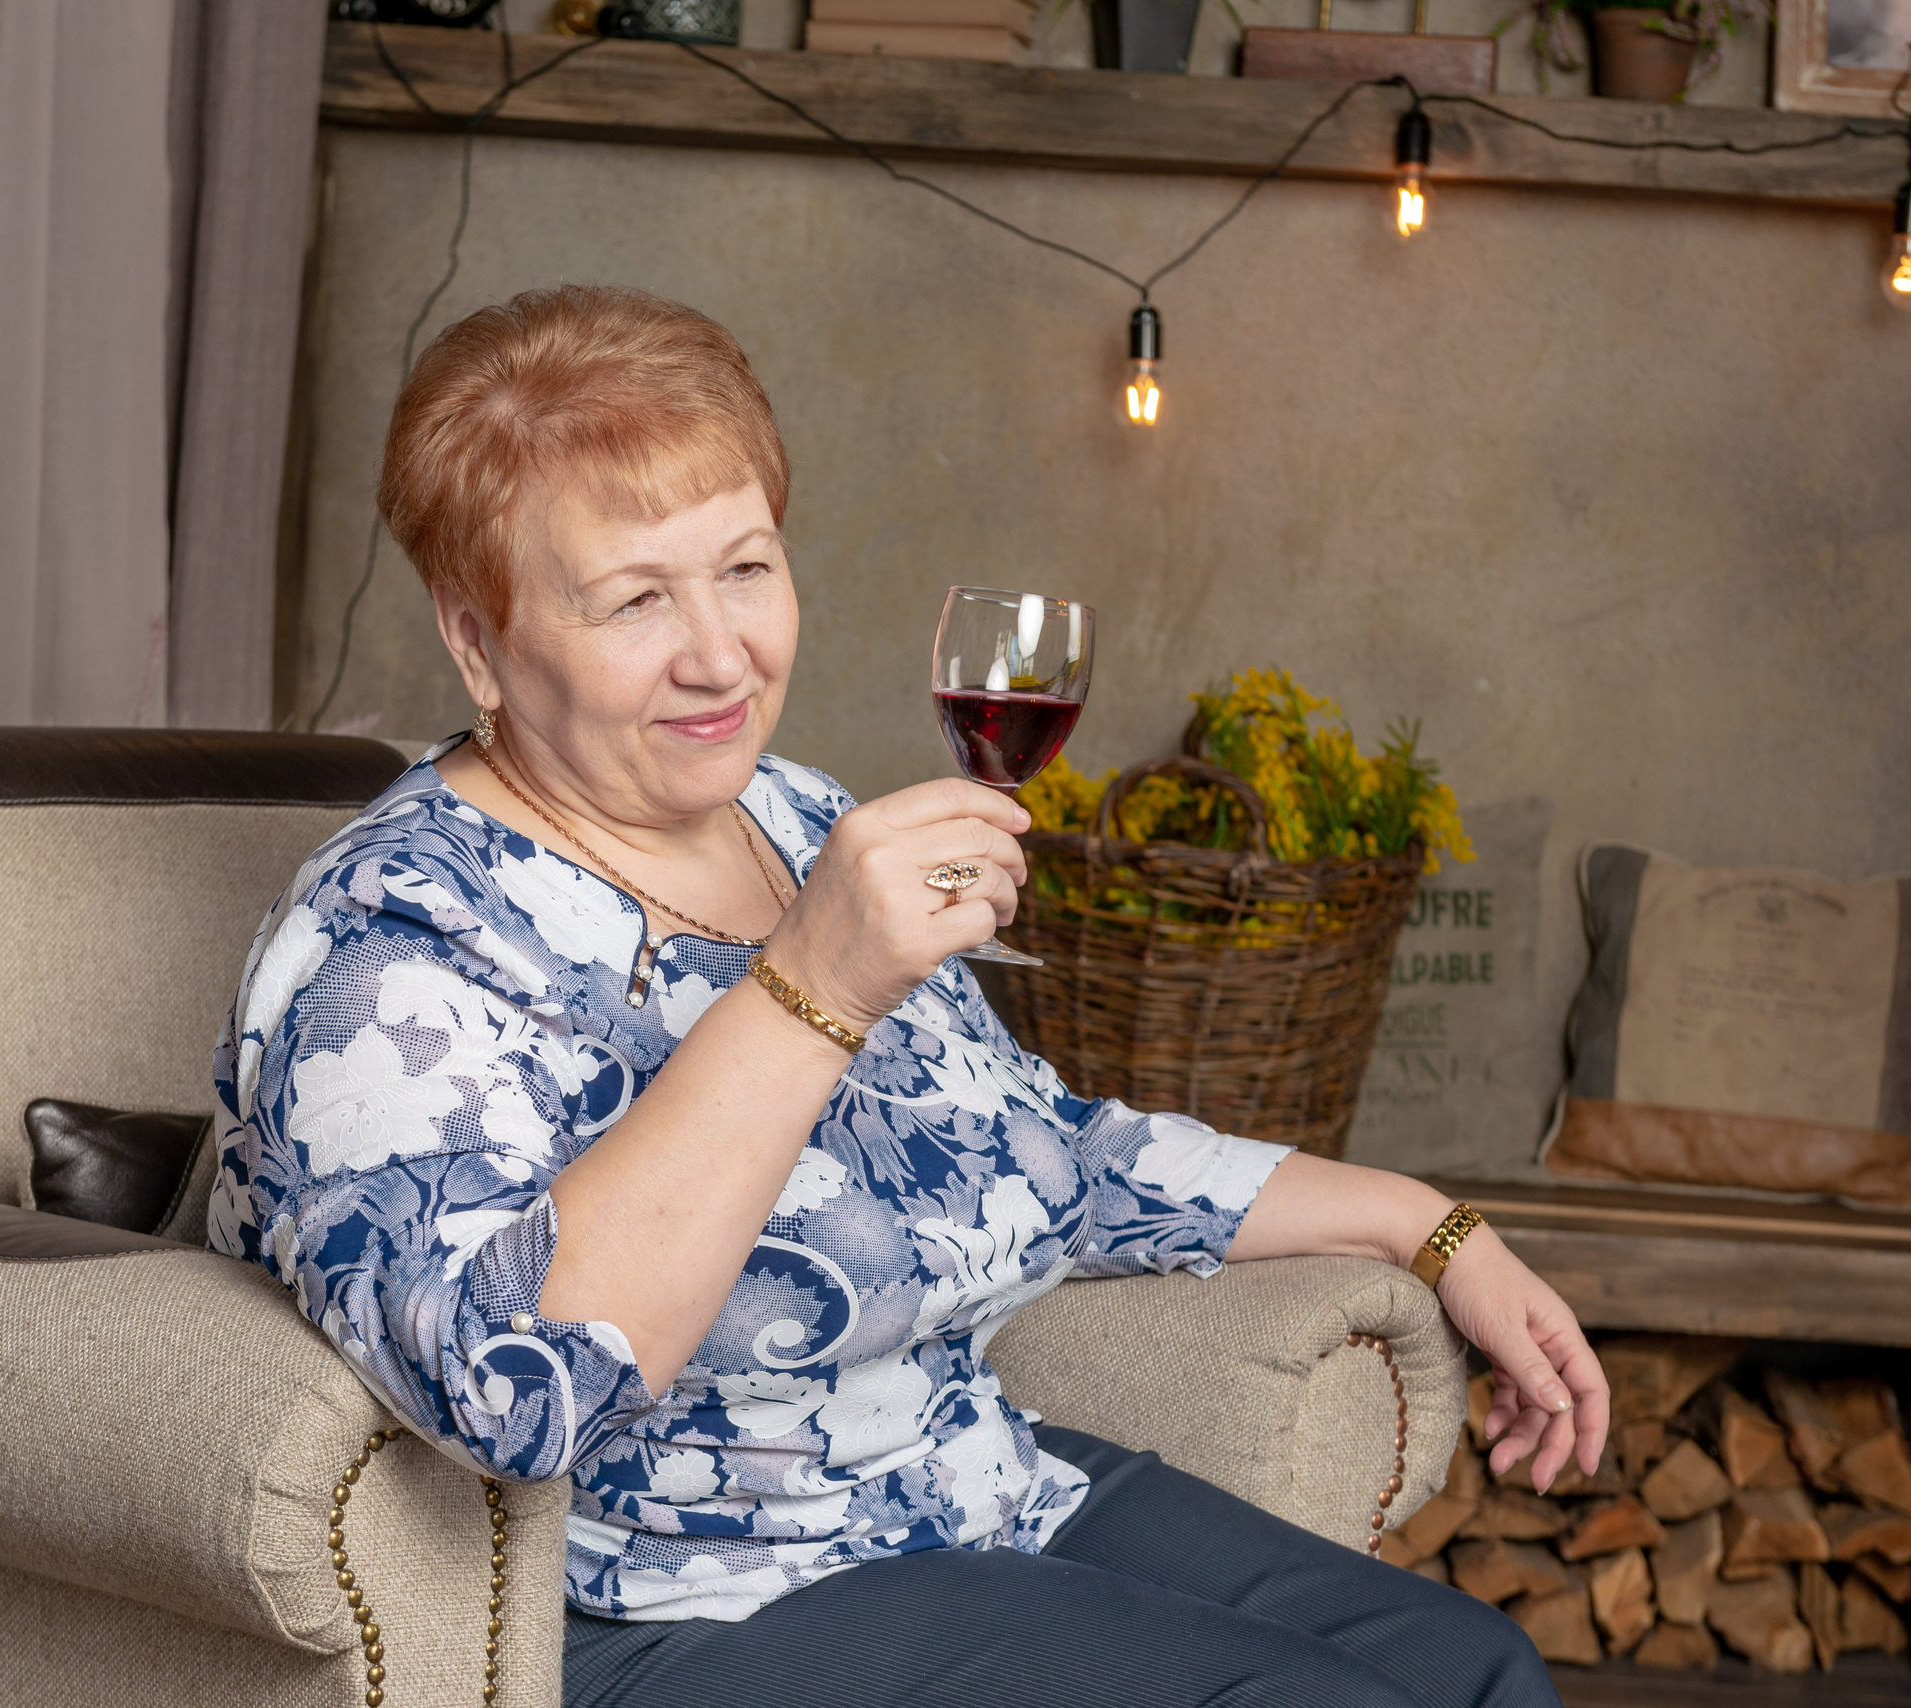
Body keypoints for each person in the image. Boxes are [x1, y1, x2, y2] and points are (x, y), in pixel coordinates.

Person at [211, 284, 1607, 1708]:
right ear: (478, 641)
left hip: (956, 1500)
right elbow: (510, 1389)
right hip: (659, 1599)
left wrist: (1428, 1226)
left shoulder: (805, 821)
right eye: (634, 598)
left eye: (745, 568)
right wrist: (812, 984)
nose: (719, 654)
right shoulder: (394, 940)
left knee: (1472, 1670)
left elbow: (1044, 1157)